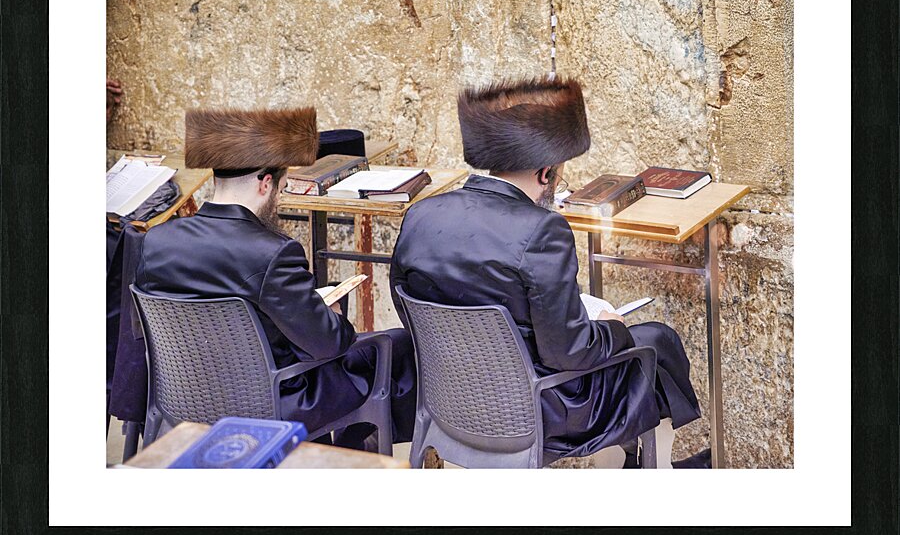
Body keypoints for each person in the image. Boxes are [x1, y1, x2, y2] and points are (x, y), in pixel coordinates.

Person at [390, 77, 702, 467]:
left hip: (450, 402)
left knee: (638, 347)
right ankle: (651, 468)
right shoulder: (542, 230)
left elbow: (410, 311)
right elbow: (569, 351)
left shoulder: (421, 214)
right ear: (545, 172)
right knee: (654, 340)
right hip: (537, 409)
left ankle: (635, 465)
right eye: (559, 172)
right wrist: (611, 326)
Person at [135, 106, 415, 449]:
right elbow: (328, 344)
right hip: (270, 404)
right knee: (395, 347)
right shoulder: (272, 252)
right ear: (266, 183)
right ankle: (354, 456)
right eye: (281, 187)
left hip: (184, 398)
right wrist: (335, 316)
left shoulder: (157, 241)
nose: (279, 197)